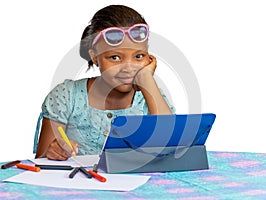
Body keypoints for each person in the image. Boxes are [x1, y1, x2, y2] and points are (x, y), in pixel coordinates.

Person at [33, 4, 175, 160]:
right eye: (114, 57)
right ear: (95, 57)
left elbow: (170, 150)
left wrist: (148, 80)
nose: (128, 68)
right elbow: (41, 162)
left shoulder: (151, 96)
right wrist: (52, 152)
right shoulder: (66, 96)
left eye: (139, 56)